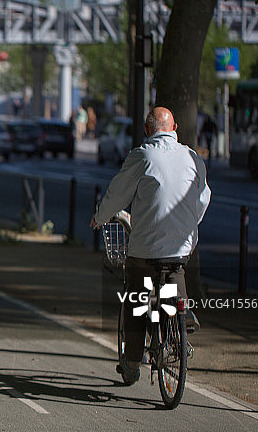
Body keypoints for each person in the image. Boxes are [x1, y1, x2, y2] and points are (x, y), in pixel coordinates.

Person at [90, 107, 211, 385]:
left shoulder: (142, 156)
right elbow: (202, 198)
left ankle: (132, 362)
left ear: (147, 131)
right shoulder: (193, 157)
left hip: (145, 249)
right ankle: (181, 313)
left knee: (136, 298)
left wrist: (100, 217)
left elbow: (118, 193)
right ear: (175, 128)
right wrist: (188, 224)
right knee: (172, 274)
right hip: (181, 246)